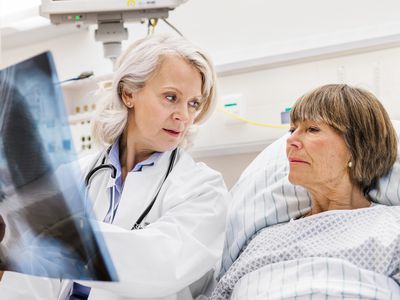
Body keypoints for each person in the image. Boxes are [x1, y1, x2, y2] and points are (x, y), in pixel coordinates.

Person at [0, 34, 228, 300]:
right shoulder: (72, 175)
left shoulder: (204, 189)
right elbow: (35, 275)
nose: (183, 115)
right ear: (128, 93)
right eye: (170, 97)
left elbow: (160, 267)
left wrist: (51, 229)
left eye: (193, 104)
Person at [211, 84, 400, 299]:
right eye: (292, 130)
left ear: (358, 146)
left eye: (312, 129)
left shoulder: (392, 229)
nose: (290, 140)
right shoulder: (263, 240)